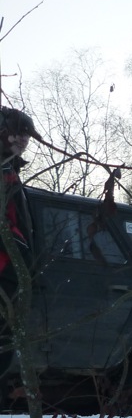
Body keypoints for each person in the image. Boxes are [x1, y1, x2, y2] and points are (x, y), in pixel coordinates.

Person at [0, 106, 38, 378]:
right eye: (18, 134)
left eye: (27, 136)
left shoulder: (9, 171)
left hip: (12, 272)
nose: (23, 141)